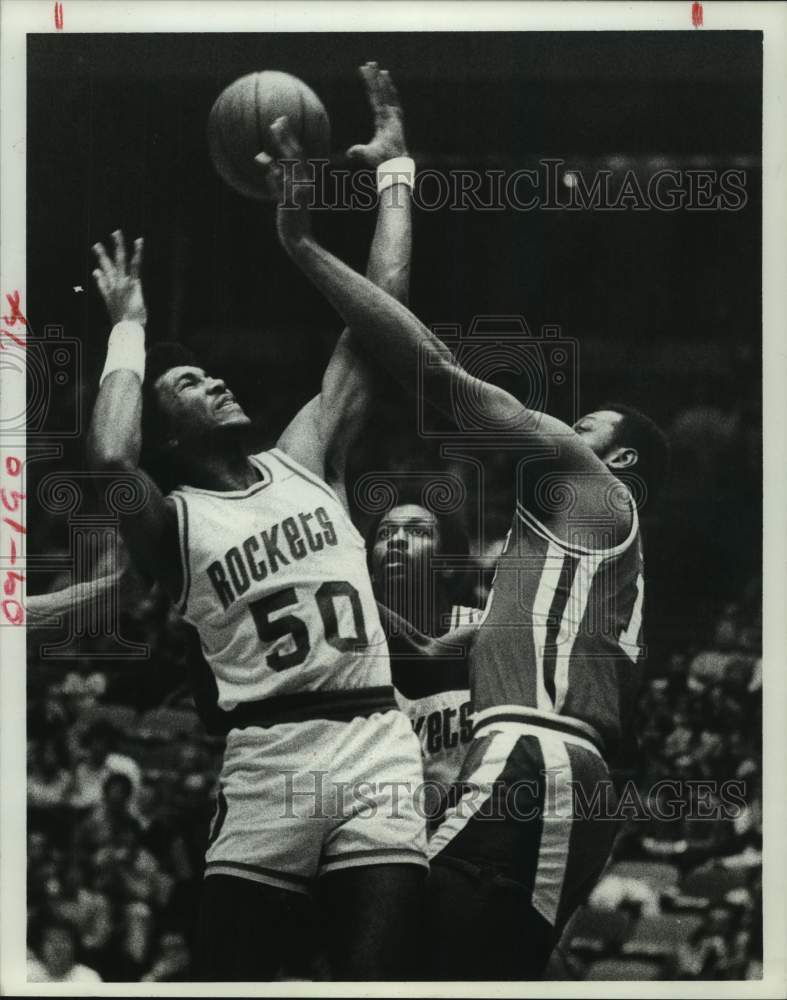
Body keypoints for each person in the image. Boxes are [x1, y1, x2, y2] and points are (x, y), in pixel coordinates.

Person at [258, 116, 669, 979]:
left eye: (586, 423)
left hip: (532, 756)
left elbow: (434, 375)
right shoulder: (573, 567)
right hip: (555, 769)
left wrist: (301, 245)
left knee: (398, 959)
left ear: (616, 455)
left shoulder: (590, 485)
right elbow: (446, 646)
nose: (567, 425)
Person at [85, 64, 426, 981]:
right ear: (170, 431)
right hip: (267, 760)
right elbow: (111, 463)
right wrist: (131, 328)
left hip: (375, 745)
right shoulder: (172, 521)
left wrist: (395, 174)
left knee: (378, 978)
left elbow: (382, 317)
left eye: (209, 373)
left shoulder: (306, 455)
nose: (216, 380)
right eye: (189, 385)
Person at [367, 500, 481, 823]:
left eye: (417, 532)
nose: (397, 540)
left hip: (475, 829)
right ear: (371, 573)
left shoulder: (483, 631)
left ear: (447, 564)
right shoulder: (359, 652)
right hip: (391, 828)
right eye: (384, 533)